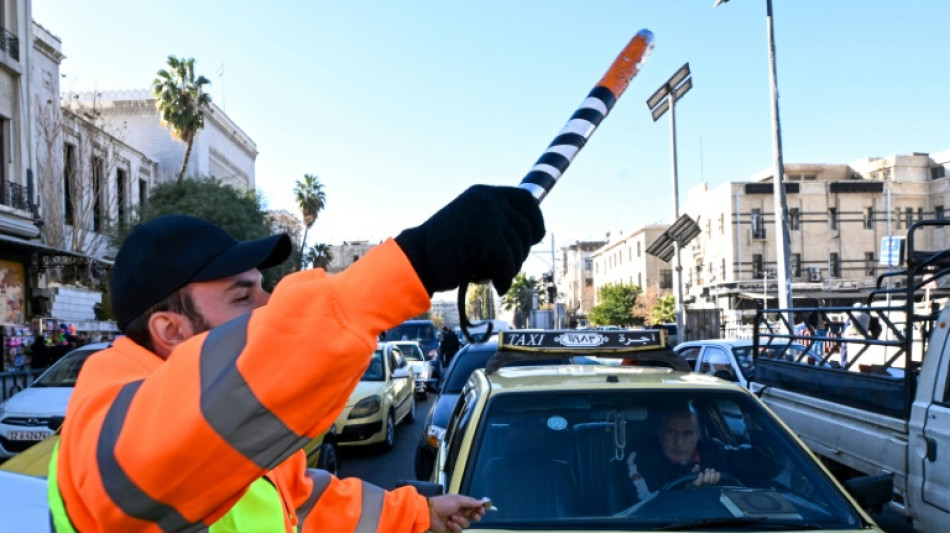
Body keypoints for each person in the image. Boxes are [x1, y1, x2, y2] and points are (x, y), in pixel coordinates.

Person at [52, 185, 544, 532]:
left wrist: (418, 516)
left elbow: (302, 505)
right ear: (170, 330)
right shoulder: (111, 424)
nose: (267, 306)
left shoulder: (222, 437)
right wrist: (415, 264)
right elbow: (245, 377)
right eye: (242, 297)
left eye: (263, 289)